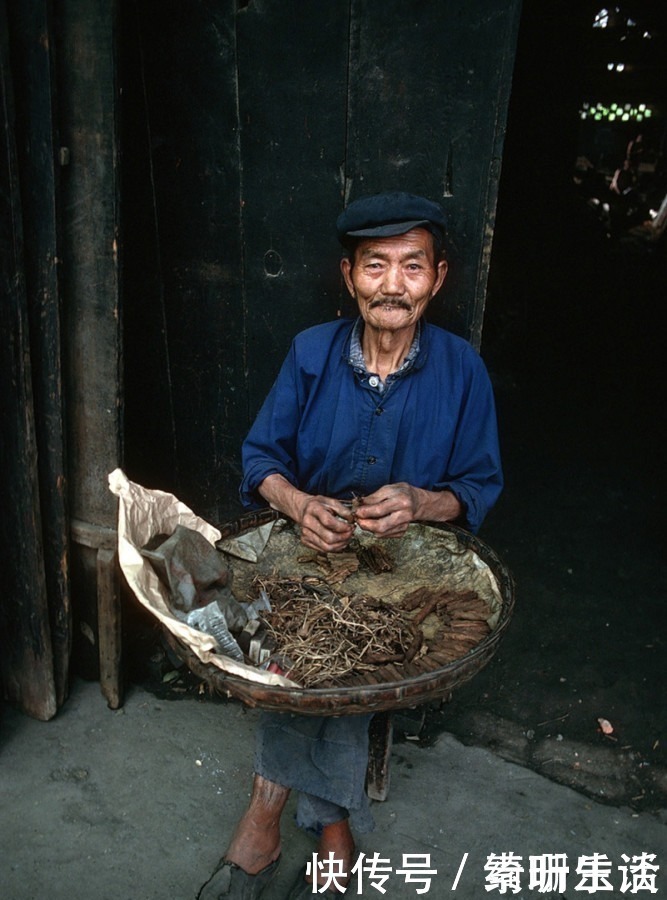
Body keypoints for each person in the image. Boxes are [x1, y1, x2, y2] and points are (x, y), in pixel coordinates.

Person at [197, 191, 503, 899]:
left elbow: (479, 486)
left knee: (356, 656)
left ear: (437, 277)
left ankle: (265, 812)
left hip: (404, 572)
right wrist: (298, 503)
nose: (392, 285)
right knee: (302, 650)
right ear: (348, 276)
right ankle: (330, 827)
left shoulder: (461, 371)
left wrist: (425, 502)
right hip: (308, 556)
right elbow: (257, 462)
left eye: (410, 267)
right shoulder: (310, 353)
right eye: (375, 266)